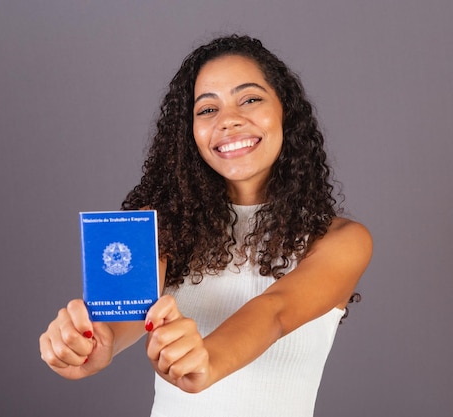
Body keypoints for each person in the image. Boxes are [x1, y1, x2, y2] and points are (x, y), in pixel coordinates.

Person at [39, 34, 373, 417]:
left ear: (286, 112)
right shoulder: (159, 225)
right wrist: (95, 343)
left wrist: (207, 359)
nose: (229, 120)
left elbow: (275, 310)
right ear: (189, 133)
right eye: (206, 109)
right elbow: (123, 313)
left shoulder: (341, 241)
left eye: (250, 99)